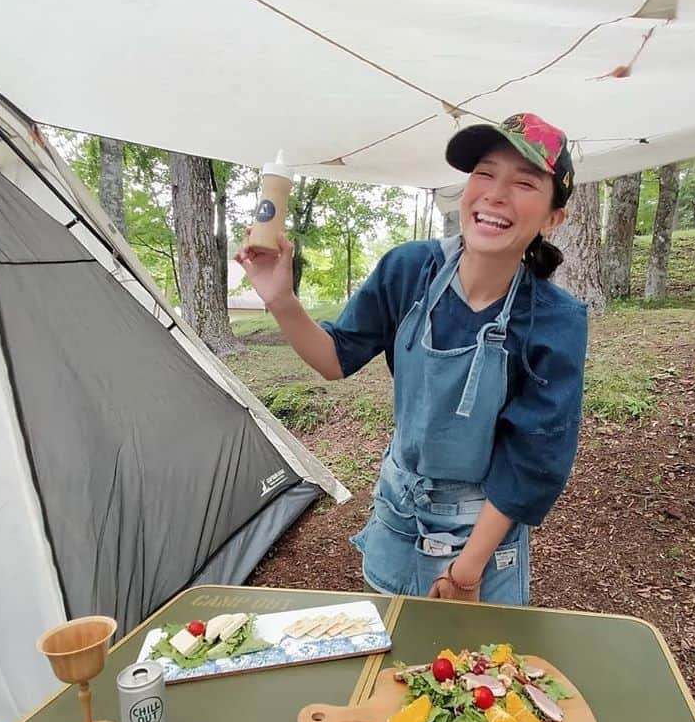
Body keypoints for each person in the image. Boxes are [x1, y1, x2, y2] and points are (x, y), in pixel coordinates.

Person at [235, 113, 588, 605]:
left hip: (481, 535)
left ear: (553, 218)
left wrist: (466, 572)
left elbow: (533, 463)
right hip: (397, 512)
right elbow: (334, 359)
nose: (495, 193)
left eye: (525, 182)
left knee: (470, 674)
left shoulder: (555, 319)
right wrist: (280, 299)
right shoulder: (409, 270)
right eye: (484, 173)